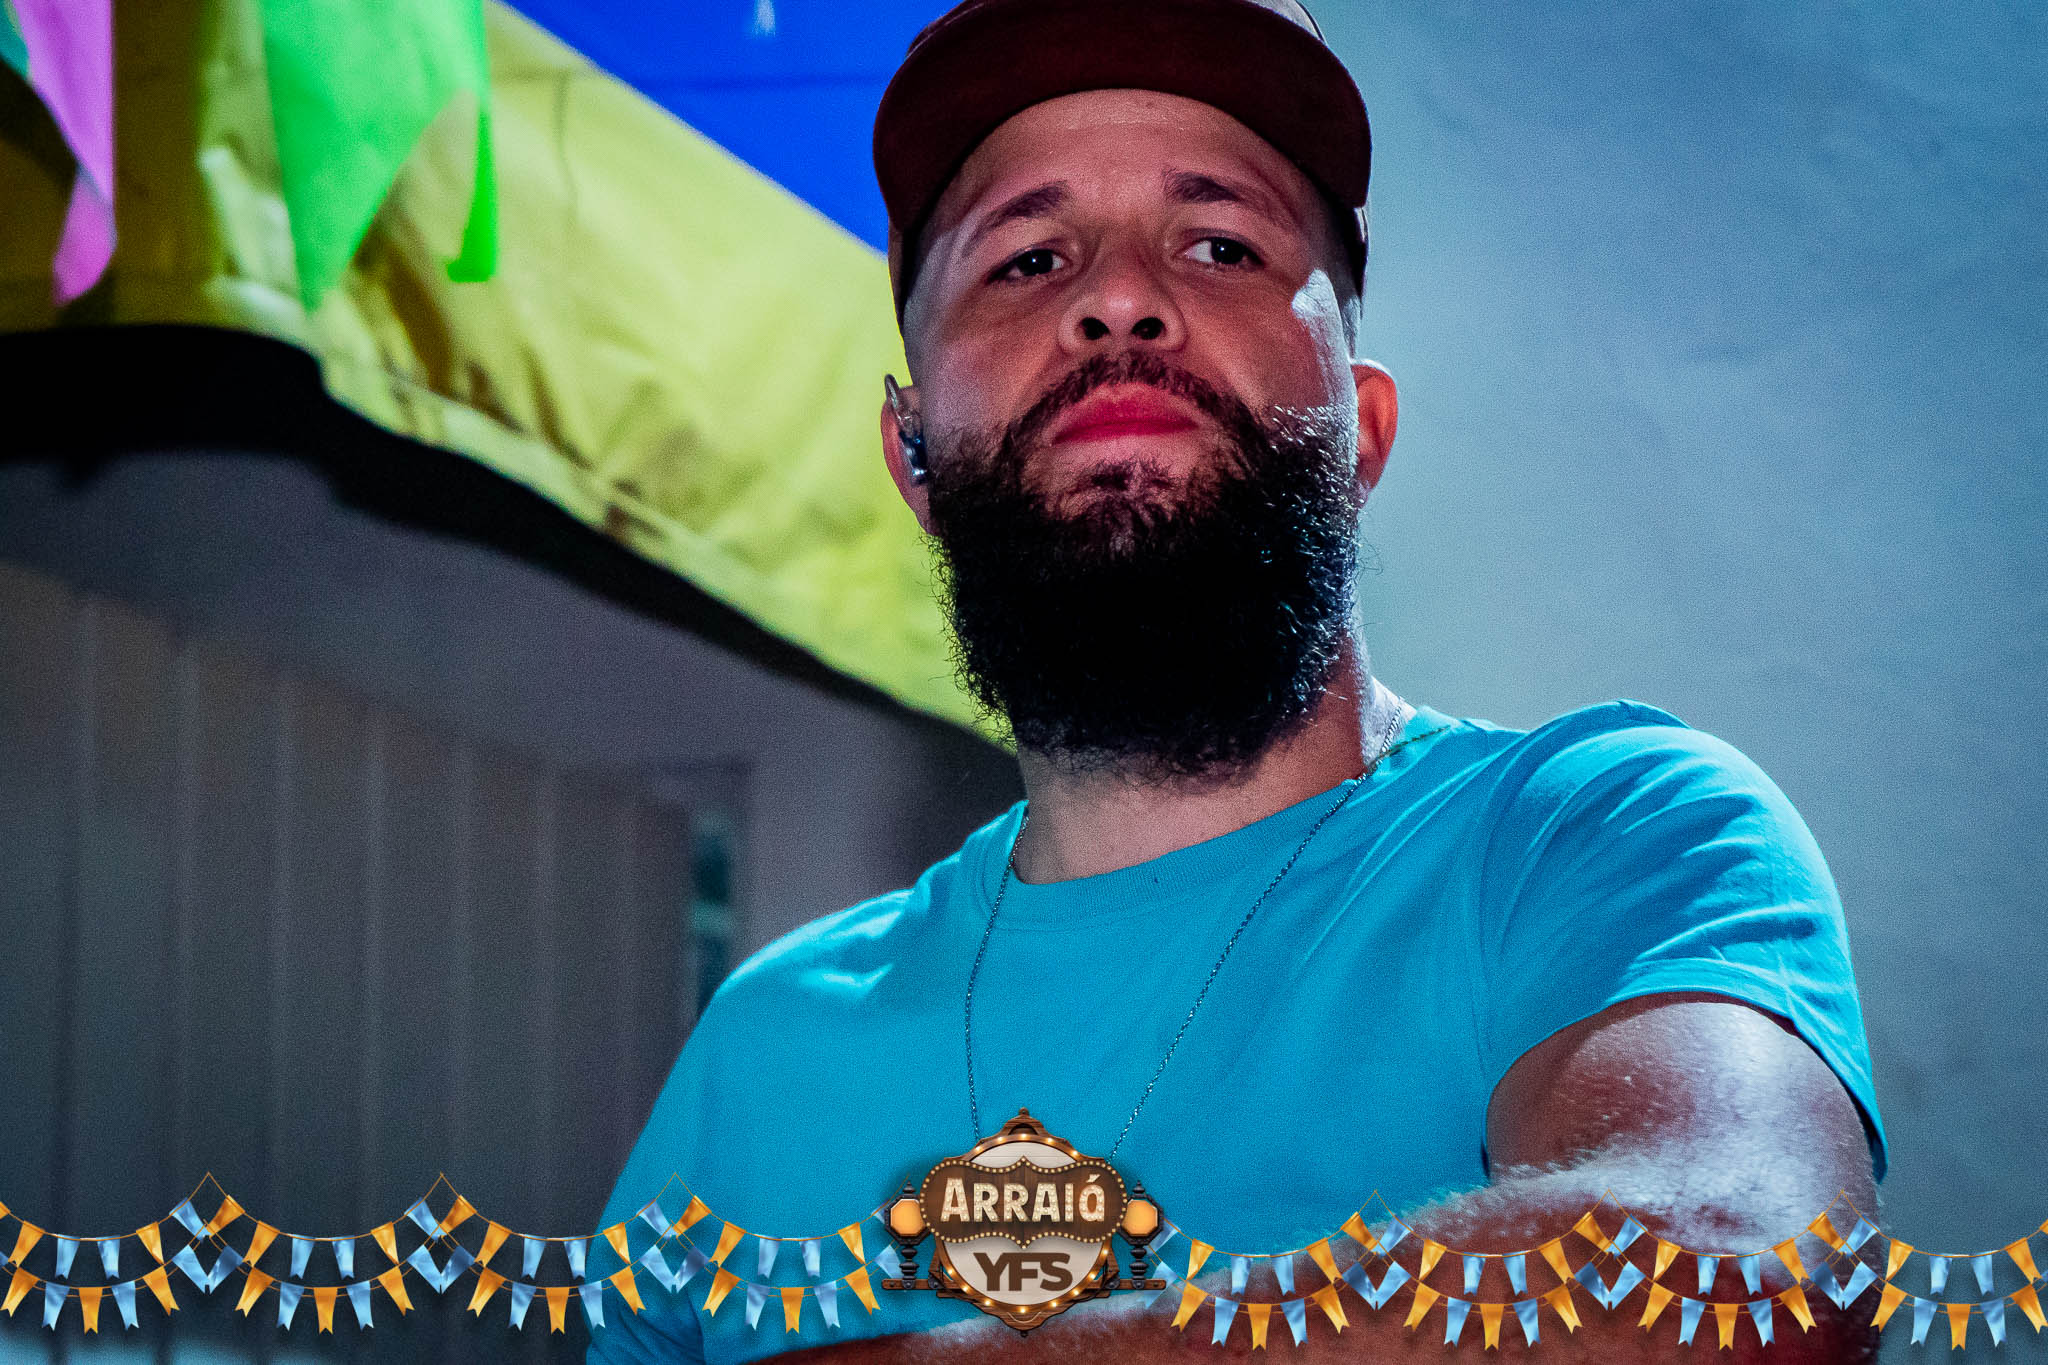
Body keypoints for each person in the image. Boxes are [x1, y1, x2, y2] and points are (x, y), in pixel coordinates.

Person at [590, 1, 1884, 1360]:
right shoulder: (762, 1045)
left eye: (1220, 244)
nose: (1118, 298)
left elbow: (1734, 1274)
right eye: (1027, 259)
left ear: (1359, 431)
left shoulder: (1600, 840)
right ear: (912, 460)